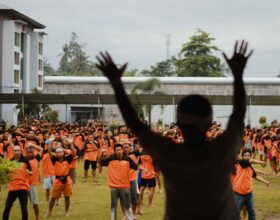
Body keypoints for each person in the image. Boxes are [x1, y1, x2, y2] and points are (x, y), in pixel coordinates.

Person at [96, 40, 253, 219]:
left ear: (178, 125)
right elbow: (238, 115)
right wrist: (238, 74)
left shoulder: (170, 153)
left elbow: (135, 124)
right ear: (211, 126)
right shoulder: (222, 150)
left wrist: (116, 82)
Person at [99, 143, 138, 220]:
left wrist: (142, 168)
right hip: (114, 187)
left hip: (125, 186)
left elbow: (135, 167)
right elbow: (100, 162)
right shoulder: (110, 159)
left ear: (122, 150)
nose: (119, 151)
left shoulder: (127, 159)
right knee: (114, 206)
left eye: (120, 149)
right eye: (117, 150)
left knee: (127, 205)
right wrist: (101, 153)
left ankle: (130, 218)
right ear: (115, 151)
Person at [2, 145, 32, 220]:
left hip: (23, 187)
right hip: (13, 187)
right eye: (15, 150)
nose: (17, 152)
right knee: (7, 207)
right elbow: (5, 173)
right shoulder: (10, 161)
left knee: (24, 209)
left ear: (20, 151)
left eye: (18, 150)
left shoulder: (25, 160)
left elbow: (31, 171)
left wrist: (28, 172)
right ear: (13, 151)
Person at [45, 144, 75, 217]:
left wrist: (71, 143)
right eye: (57, 152)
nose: (58, 154)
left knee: (67, 197)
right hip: (57, 180)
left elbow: (73, 152)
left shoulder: (67, 159)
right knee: (53, 197)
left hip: (67, 180)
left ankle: (66, 212)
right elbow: (49, 152)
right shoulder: (54, 159)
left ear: (63, 153)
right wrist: (51, 142)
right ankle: (49, 212)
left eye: (60, 152)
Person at [26, 144, 43, 220]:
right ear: (26, 152)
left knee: (35, 203)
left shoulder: (36, 158)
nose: (30, 154)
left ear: (33, 152)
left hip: (32, 185)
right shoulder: (23, 160)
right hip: (23, 185)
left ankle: (37, 218)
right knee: (24, 204)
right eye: (28, 152)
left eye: (31, 152)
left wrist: (32, 145)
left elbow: (41, 149)